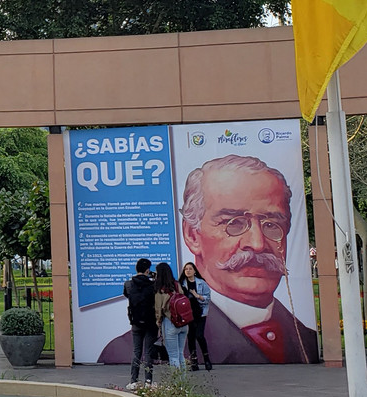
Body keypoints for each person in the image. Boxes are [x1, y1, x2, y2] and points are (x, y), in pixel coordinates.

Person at [100, 155, 318, 365]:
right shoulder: (123, 351)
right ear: (192, 235)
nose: (257, 243)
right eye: (234, 223)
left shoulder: (307, 342)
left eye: (271, 224)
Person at [123, 258, 157, 390]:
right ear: (148, 270)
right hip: (151, 323)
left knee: (136, 351)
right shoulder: (152, 285)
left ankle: (133, 380)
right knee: (148, 352)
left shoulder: (128, 284)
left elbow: (128, 296)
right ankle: (148, 381)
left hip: (135, 322)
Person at [153, 262, 188, 370]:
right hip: (183, 323)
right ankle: (183, 382)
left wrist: (158, 322)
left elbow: (158, 309)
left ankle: (177, 384)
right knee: (180, 354)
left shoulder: (160, 289)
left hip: (170, 322)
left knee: (173, 356)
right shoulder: (177, 285)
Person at [180, 261, 212, 371]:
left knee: (199, 335)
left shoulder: (201, 283)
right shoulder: (181, 284)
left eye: (190, 269)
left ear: (194, 271)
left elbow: (207, 298)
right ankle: (194, 361)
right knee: (190, 337)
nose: (188, 271)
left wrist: (197, 295)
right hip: (187, 314)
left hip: (200, 313)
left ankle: (206, 359)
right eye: (186, 269)